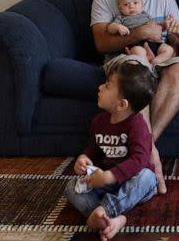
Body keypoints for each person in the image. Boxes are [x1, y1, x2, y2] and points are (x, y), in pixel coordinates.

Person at [91, 0, 179, 195]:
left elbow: (178, 48)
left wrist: (177, 38)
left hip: (159, 59)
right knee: (137, 64)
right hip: (124, 60)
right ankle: (150, 156)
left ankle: (143, 148)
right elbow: (102, 42)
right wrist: (140, 33)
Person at [64, 58, 158, 240]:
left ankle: (106, 210)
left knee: (147, 177)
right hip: (106, 183)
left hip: (133, 181)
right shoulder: (99, 121)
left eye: (107, 86)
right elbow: (94, 149)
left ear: (122, 104)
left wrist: (110, 176)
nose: (100, 87)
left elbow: (139, 160)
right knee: (71, 188)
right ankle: (112, 220)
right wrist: (84, 159)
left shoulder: (137, 125)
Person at [107, 0, 174, 65]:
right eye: (126, 4)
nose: (131, 6)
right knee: (138, 52)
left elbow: (156, 26)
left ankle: (155, 63)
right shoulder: (121, 18)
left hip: (154, 43)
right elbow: (110, 28)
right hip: (136, 44)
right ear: (120, 9)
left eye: (135, 3)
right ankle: (147, 67)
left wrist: (164, 24)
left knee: (168, 49)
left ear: (142, 5)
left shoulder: (145, 15)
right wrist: (118, 27)